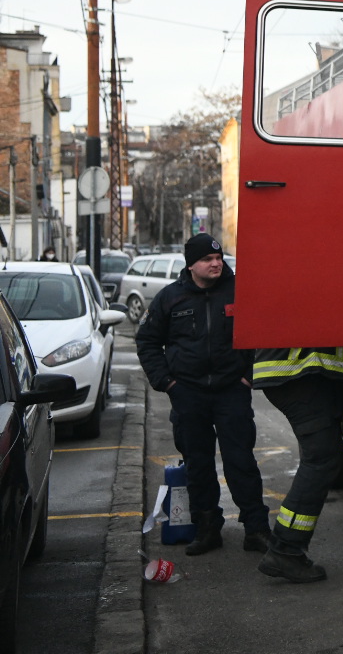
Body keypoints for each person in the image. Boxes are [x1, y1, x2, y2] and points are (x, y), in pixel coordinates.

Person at [135, 233, 270, 553]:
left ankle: (257, 528)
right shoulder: (170, 298)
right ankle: (208, 529)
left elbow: (264, 335)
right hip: (188, 394)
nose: (216, 263)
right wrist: (167, 384)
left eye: (218, 258)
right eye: (208, 259)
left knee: (241, 461)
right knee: (198, 464)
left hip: (231, 392)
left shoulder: (240, 292)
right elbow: (147, 342)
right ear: (191, 264)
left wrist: (249, 379)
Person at [251, 343, 343, 582]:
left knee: (324, 456)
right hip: (298, 372)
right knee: (321, 458)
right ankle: (285, 549)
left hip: (294, 372)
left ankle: (285, 548)